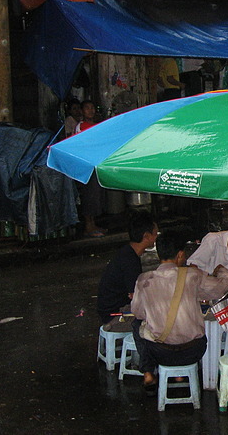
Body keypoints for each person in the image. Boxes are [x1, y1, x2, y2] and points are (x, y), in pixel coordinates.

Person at [131, 230, 228, 394]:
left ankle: (148, 373)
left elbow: (138, 313)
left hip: (160, 353)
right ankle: (180, 376)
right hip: (193, 351)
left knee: (137, 324)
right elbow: (221, 288)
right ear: (179, 255)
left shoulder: (143, 280)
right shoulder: (192, 275)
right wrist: (222, 271)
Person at [97, 209, 158, 331]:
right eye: (155, 234)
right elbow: (135, 297)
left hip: (112, 311)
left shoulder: (127, 252)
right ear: (146, 236)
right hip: (115, 317)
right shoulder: (129, 261)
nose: (157, 237)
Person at [74, 100, 106, 237]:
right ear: (82, 111)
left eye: (92, 107)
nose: (90, 110)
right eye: (87, 108)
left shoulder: (96, 125)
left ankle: (93, 224)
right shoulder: (81, 126)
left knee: (95, 195)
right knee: (88, 195)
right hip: (86, 165)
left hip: (95, 164)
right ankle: (88, 226)